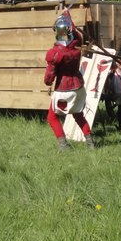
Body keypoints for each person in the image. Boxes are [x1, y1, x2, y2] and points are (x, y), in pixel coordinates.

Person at [43, 12, 95, 150]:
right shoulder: (76, 45)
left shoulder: (56, 53)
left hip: (64, 89)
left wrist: (48, 83)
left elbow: (49, 79)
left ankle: (63, 145)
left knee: (52, 117)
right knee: (78, 115)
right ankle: (90, 143)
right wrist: (66, 15)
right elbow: (74, 32)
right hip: (78, 87)